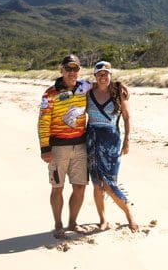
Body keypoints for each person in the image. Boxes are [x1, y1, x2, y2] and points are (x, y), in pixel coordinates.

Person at [37, 54, 93, 238]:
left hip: (80, 146)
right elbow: (43, 122)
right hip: (57, 149)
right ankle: (58, 225)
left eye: (75, 69)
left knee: (80, 187)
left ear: (79, 71)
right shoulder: (50, 93)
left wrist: (119, 87)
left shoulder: (85, 87)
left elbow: (104, 85)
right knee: (57, 188)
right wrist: (45, 148)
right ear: (61, 70)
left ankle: (73, 222)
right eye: (68, 69)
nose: (71, 72)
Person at [86, 60, 138, 231]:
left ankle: (129, 213)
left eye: (106, 74)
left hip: (111, 142)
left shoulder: (118, 93)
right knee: (97, 184)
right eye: (100, 74)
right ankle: (103, 219)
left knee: (109, 184)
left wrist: (127, 139)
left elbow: (127, 117)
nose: (103, 77)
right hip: (92, 141)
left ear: (110, 75)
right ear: (95, 76)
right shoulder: (88, 92)